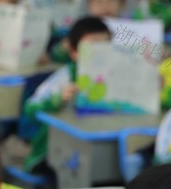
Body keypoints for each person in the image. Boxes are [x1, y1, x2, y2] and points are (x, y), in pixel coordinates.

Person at [22, 17, 112, 174]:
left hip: (101, 145)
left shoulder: (118, 77)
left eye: (105, 48)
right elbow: (30, 108)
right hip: (54, 153)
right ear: (73, 52)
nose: (99, 54)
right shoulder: (65, 77)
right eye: (91, 48)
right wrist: (57, 99)